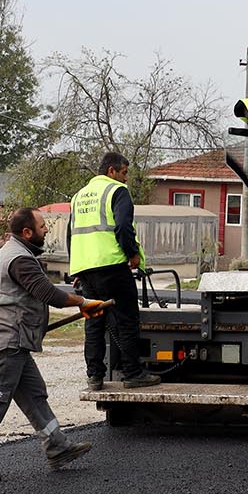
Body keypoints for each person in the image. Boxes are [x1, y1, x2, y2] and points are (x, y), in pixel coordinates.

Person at [0, 207, 108, 485]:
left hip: (14, 340)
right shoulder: (19, 259)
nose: (46, 229)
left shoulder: (14, 252)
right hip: (5, 341)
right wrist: (84, 302)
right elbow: (48, 293)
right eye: (42, 226)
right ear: (27, 232)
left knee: (34, 395)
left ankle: (57, 447)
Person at [69, 151, 158, 392]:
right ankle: (133, 373)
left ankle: (94, 377)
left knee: (94, 323)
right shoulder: (117, 191)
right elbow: (122, 227)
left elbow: (72, 233)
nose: (126, 178)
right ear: (112, 171)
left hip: (86, 269)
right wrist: (132, 254)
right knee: (127, 319)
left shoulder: (78, 196)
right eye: (124, 173)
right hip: (111, 266)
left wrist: (76, 267)